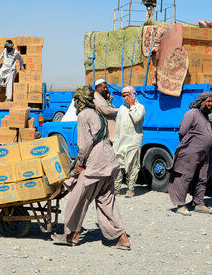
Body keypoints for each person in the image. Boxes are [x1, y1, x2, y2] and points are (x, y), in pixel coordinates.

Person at [52, 86, 131, 250]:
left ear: (80, 100)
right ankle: (122, 238)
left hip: (96, 164)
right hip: (109, 161)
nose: (74, 104)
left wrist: (80, 164)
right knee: (106, 201)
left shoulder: (83, 115)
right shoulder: (97, 113)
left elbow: (85, 144)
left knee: (77, 198)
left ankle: (71, 235)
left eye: (75, 100)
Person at [167, 92, 212, 215]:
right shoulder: (192, 113)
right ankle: (180, 205)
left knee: (202, 178)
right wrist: (191, 145)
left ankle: (199, 203)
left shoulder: (205, 116)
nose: (210, 104)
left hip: (204, 153)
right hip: (190, 153)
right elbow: (182, 131)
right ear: (201, 102)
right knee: (185, 177)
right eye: (208, 101)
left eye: (211, 102)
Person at [113, 86, 146, 198]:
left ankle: (131, 189)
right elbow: (118, 126)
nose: (125, 98)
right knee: (118, 166)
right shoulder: (121, 108)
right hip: (120, 141)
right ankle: (116, 188)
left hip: (133, 141)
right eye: (123, 96)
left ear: (133, 95)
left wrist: (132, 105)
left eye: (127, 95)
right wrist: (115, 141)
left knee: (132, 166)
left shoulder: (140, 107)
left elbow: (137, 119)